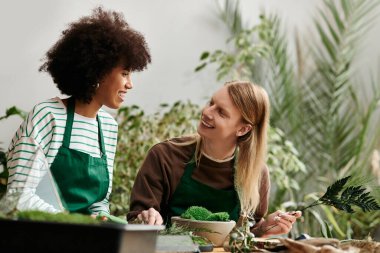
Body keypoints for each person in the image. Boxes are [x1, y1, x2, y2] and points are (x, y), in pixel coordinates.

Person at [4, 7, 151, 215]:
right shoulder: (48, 116)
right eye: (125, 74)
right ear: (98, 72)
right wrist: (71, 222)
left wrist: (102, 219)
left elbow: (98, 204)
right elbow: (19, 196)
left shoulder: (108, 127)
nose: (130, 84)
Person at [128, 81, 301, 237]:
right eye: (211, 103)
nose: (206, 112)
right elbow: (137, 219)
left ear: (243, 129)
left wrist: (264, 228)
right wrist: (145, 218)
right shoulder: (165, 156)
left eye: (221, 112)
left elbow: (247, 233)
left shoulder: (256, 173)